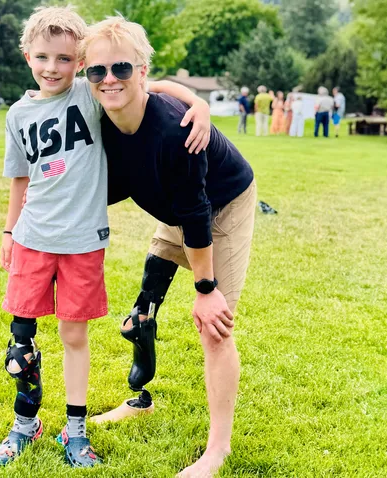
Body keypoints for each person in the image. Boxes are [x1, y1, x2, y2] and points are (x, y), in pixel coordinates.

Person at [0, 6, 212, 468]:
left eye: (65, 59)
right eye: (43, 57)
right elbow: (19, 179)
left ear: (79, 63)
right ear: (27, 56)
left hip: (83, 243)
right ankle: (24, 424)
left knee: (74, 334)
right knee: (21, 339)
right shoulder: (17, 114)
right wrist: (9, 229)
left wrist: (199, 103)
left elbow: (150, 86)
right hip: (32, 237)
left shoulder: (90, 95)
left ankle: (75, 432)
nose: (53, 68)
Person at [81, 16, 258, 478]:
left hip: (223, 202)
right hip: (177, 205)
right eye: (96, 71)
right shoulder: (100, 115)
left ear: (139, 70)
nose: (108, 79)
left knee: (214, 327)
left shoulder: (175, 132)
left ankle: (217, 450)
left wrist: (206, 289)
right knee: (141, 316)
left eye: (121, 68)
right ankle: (139, 401)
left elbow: (197, 214)